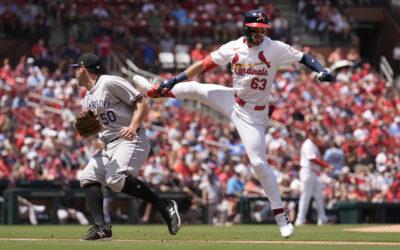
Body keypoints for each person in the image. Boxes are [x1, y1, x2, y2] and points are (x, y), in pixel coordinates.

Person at [132, 9, 334, 238]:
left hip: (254, 116)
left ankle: (281, 215)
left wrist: (322, 70)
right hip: (233, 100)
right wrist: (173, 79)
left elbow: (304, 57)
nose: (260, 34)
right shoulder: (234, 47)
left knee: (258, 163)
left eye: (263, 30)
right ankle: (154, 90)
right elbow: (203, 65)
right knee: (194, 89)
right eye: (256, 30)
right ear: (246, 29)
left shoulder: (274, 47)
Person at [70, 53, 181, 241]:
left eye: (76, 68)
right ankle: (101, 228)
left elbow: (141, 102)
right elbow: (97, 129)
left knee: (115, 180)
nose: (74, 72)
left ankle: (164, 205)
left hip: (130, 137)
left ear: (83, 68)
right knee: (88, 177)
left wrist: (132, 126)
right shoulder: (87, 99)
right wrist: (88, 132)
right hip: (109, 144)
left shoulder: (109, 82)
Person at [295, 126, 333, 226]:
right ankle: (300, 220)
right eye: (312, 134)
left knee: (319, 196)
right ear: (309, 134)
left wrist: (324, 166)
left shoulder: (313, 145)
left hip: (313, 173)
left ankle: (323, 219)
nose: (314, 135)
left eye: (315, 134)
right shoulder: (307, 144)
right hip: (307, 172)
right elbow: (312, 159)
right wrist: (327, 165)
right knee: (305, 196)